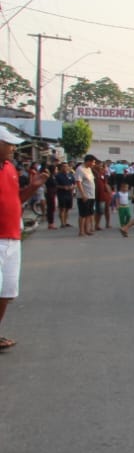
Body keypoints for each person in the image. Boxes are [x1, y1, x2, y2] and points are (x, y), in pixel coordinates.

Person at [0, 126, 48, 352]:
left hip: (12, 237)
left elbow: (17, 200)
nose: (12, 148)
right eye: (8, 144)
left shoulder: (9, 168)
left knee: (7, 292)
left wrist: (33, 186)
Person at [75, 156, 97, 236]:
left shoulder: (89, 169)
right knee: (83, 214)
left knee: (89, 213)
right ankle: (81, 231)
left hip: (91, 195)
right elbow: (78, 182)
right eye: (93, 162)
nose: (94, 164)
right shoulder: (80, 169)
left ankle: (86, 229)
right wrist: (83, 194)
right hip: (84, 195)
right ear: (88, 161)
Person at [53, 162, 75, 228]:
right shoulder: (58, 175)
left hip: (69, 193)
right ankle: (62, 223)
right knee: (62, 208)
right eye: (63, 166)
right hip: (61, 193)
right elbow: (55, 185)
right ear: (61, 167)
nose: (65, 167)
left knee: (67, 209)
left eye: (66, 166)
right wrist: (63, 187)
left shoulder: (70, 175)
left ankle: (66, 222)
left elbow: (74, 183)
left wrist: (73, 187)